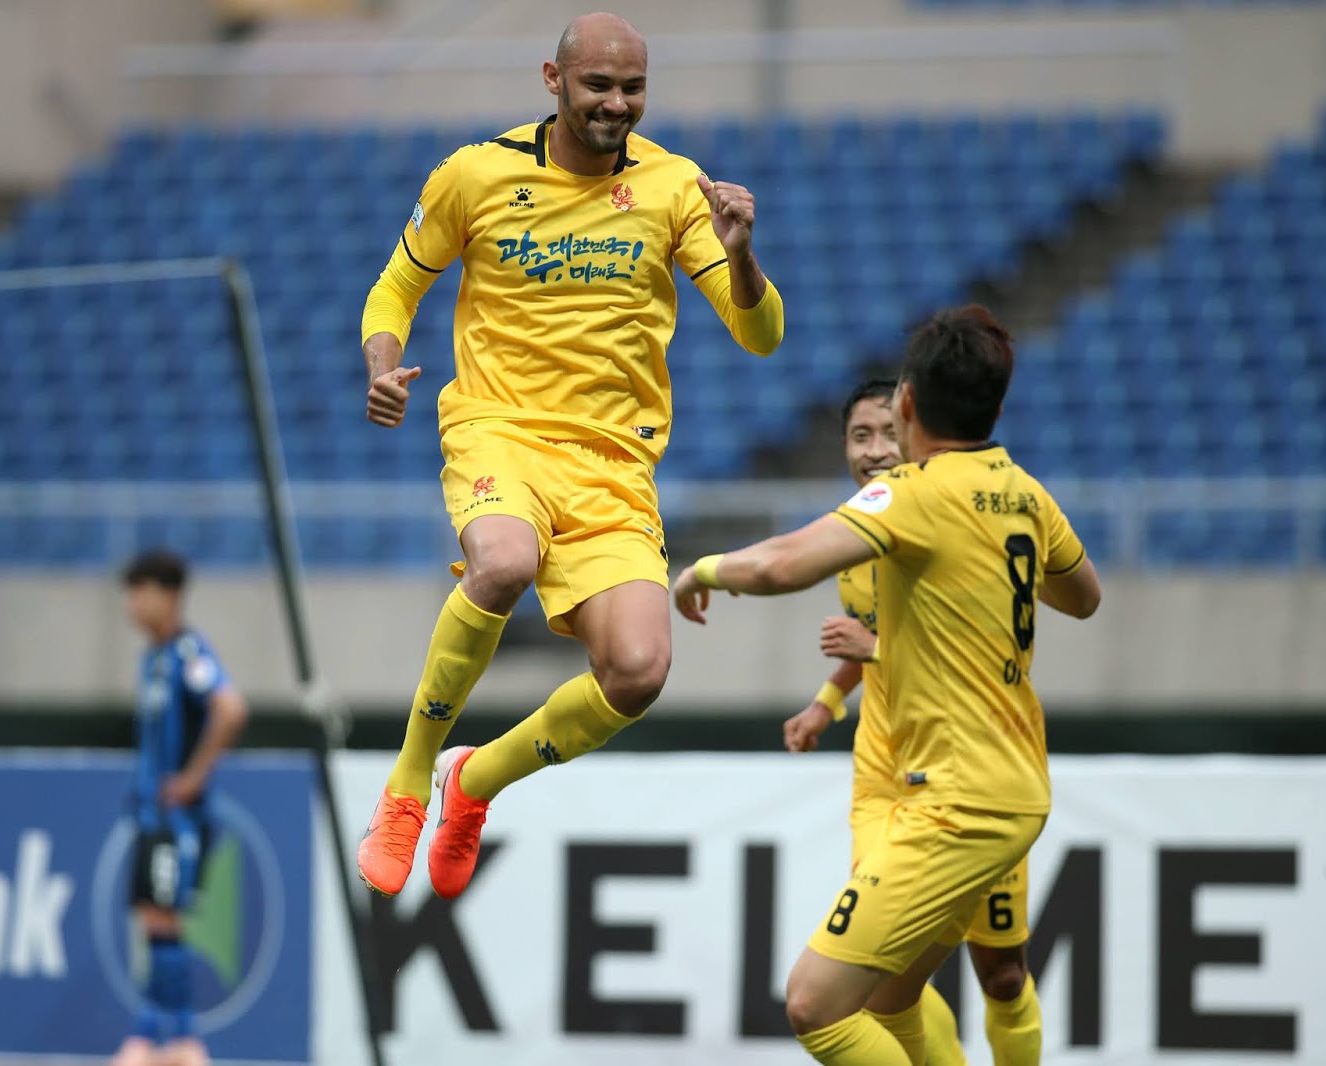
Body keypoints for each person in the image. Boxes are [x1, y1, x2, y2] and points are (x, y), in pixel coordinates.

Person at [356, 11, 783, 901]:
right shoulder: (475, 173)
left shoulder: (675, 188)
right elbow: (398, 284)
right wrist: (384, 365)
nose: (616, 104)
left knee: (639, 672)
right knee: (503, 561)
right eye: (598, 86)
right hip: (498, 430)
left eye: (632, 89)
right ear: (553, 82)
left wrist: (743, 260)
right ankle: (406, 780)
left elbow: (761, 335)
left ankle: (473, 781)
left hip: (612, 466)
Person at [673, 306, 1101, 1066]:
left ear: (906, 406)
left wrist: (703, 570)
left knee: (816, 1004)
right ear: (997, 408)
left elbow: (779, 566)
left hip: (956, 801)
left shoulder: (912, 496)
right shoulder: (1028, 495)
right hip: (992, 780)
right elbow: (1083, 595)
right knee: (894, 995)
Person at [784, 377, 1044, 1066]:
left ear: (916, 431)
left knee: (1005, 973)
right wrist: (826, 702)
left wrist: (873, 650)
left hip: (972, 773)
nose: (874, 451)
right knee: (886, 973)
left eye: (886, 434)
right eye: (858, 437)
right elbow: (872, 640)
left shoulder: (955, 515)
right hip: (893, 778)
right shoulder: (856, 536)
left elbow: (974, 647)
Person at [113, 550, 249, 1066]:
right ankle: (159, 1039)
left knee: (164, 918)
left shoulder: (188, 652)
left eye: (138, 591)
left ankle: (177, 1040)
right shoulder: (150, 659)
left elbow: (230, 708)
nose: (131, 604)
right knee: (155, 920)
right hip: (150, 815)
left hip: (177, 819)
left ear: (166, 594)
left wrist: (192, 778)